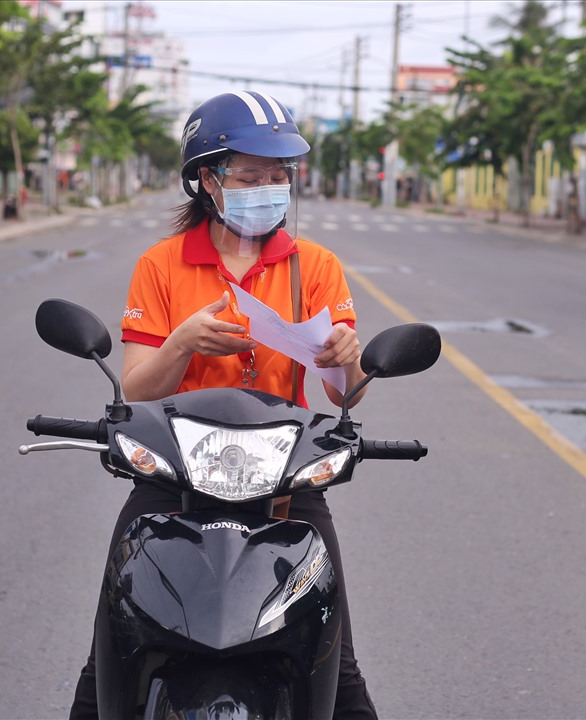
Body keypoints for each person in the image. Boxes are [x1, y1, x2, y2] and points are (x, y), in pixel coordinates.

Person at [69, 90, 378, 719]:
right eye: (250, 175)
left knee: (334, 659)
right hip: (175, 473)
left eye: (278, 176)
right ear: (209, 179)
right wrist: (182, 342)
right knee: (114, 645)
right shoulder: (160, 266)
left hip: (283, 480)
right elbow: (136, 388)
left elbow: (343, 397)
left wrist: (348, 359)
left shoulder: (314, 266)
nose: (268, 187)